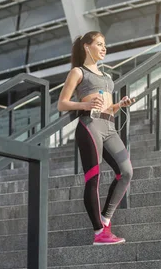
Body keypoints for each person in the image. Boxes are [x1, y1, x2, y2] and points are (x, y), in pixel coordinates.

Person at [57, 31, 135, 245]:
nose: (104, 48)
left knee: (126, 171)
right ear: (86, 47)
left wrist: (120, 105)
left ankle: (105, 218)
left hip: (109, 125)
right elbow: (62, 103)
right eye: (99, 44)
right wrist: (85, 105)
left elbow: (108, 108)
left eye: (105, 45)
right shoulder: (78, 72)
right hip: (90, 125)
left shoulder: (107, 77)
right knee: (94, 178)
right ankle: (99, 232)